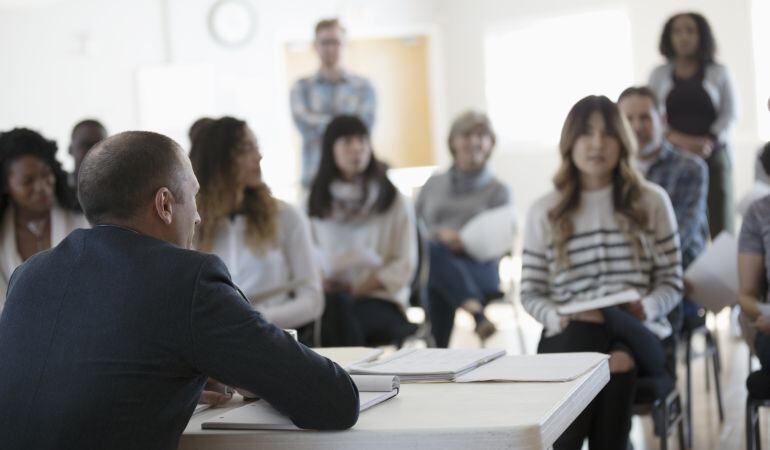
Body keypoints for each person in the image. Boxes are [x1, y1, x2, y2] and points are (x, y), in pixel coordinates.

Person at [0, 131, 359, 450]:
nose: (199, 216)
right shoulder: (187, 279)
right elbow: (334, 400)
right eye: (194, 197)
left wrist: (174, 378)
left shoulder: (29, 275)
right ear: (165, 204)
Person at [520, 96, 683, 449]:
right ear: (570, 142)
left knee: (603, 330)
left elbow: (672, 281)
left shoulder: (651, 201)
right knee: (615, 362)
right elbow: (531, 291)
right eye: (586, 134)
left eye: (608, 133)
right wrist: (557, 317)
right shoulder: (544, 211)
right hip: (568, 333)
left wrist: (648, 307)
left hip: (640, 331)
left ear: (622, 141)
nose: (597, 143)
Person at [190, 116, 323, 338]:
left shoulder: (286, 216)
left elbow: (312, 299)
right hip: (213, 343)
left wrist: (258, 317)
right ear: (218, 159)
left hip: (273, 340)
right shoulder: (193, 224)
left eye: (257, 146)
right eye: (246, 148)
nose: (259, 156)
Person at [307, 115, 417, 347]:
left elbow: (405, 264)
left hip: (380, 298)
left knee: (336, 320)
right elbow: (306, 259)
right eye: (347, 142)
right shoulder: (313, 202)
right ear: (330, 150)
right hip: (328, 298)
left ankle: (346, 381)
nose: (357, 149)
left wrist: (359, 287)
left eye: (362, 141)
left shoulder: (392, 199)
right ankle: (352, 381)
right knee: (331, 312)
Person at [416, 110, 513, 347]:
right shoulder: (433, 184)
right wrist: (440, 237)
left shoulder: (499, 190)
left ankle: (436, 352)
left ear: (490, 143)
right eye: (466, 134)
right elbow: (413, 230)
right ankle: (477, 314)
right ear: (453, 141)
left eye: (481, 135)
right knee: (434, 254)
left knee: (436, 275)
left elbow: (503, 238)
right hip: (433, 262)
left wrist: (465, 242)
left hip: (480, 267)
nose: (474, 141)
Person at [617, 86, 708, 329]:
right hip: (626, 278)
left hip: (679, 275)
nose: (637, 126)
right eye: (628, 119)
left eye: (645, 118)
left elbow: (680, 236)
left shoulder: (691, 168)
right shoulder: (612, 173)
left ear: (662, 119)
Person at [649, 12, 739, 238]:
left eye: (690, 31)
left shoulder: (719, 72)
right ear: (669, 38)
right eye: (677, 32)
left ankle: (723, 271)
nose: (683, 37)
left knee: (721, 227)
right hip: (673, 156)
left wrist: (708, 142)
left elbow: (730, 114)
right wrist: (681, 141)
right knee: (679, 224)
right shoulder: (658, 75)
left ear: (702, 36)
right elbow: (651, 113)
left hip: (713, 155)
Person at [0, 128, 87, 309]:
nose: (42, 187)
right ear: (6, 185)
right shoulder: (2, 232)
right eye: (28, 181)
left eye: (46, 174)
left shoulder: (82, 217)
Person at [290, 18, 376, 188]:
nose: (330, 48)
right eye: (325, 42)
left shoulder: (363, 87)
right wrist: (345, 128)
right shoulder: (301, 88)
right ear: (315, 46)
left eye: (335, 42)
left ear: (345, 45)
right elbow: (305, 126)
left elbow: (363, 128)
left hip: (357, 180)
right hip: (315, 180)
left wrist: (326, 125)